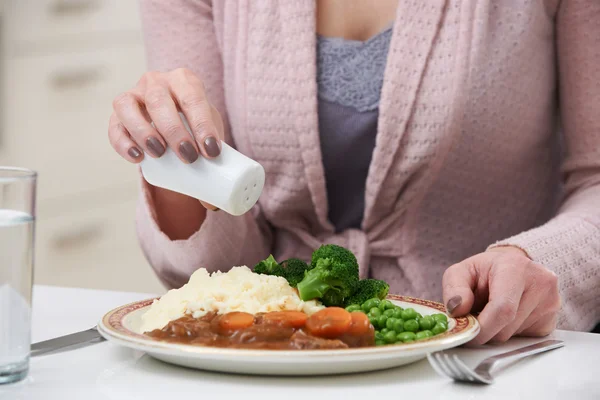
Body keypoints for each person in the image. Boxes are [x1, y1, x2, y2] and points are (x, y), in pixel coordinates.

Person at [108, 0, 600, 344]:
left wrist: (536, 261)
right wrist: (175, 168)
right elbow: (212, 264)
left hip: (483, 354)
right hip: (267, 351)